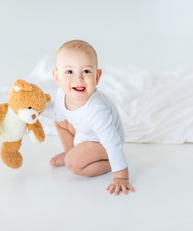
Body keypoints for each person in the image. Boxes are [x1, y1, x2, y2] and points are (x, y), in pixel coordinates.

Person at [42, 40, 135, 196]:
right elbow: (57, 113)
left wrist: (121, 176)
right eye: (69, 72)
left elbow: (112, 143)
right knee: (60, 121)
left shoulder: (96, 110)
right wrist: (33, 110)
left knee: (73, 164)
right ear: (56, 77)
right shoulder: (62, 94)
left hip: (103, 142)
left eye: (86, 71)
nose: (78, 78)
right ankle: (70, 151)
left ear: (97, 76)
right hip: (85, 133)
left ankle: (109, 164)